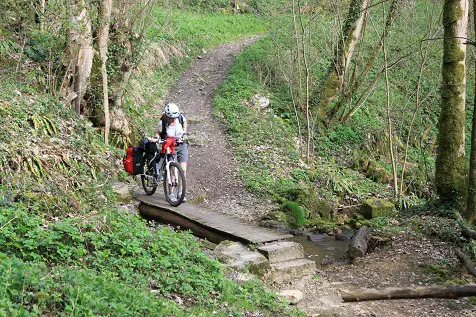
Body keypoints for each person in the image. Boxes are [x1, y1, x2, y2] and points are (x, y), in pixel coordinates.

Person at [157, 103, 188, 199]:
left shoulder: (180, 118)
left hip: (181, 145)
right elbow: (158, 132)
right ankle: (171, 193)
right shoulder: (163, 122)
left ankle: (180, 192)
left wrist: (185, 133)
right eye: (171, 118)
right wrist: (157, 139)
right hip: (171, 146)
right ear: (167, 115)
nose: (173, 120)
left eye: (174, 118)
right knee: (172, 169)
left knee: (183, 169)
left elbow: (185, 122)